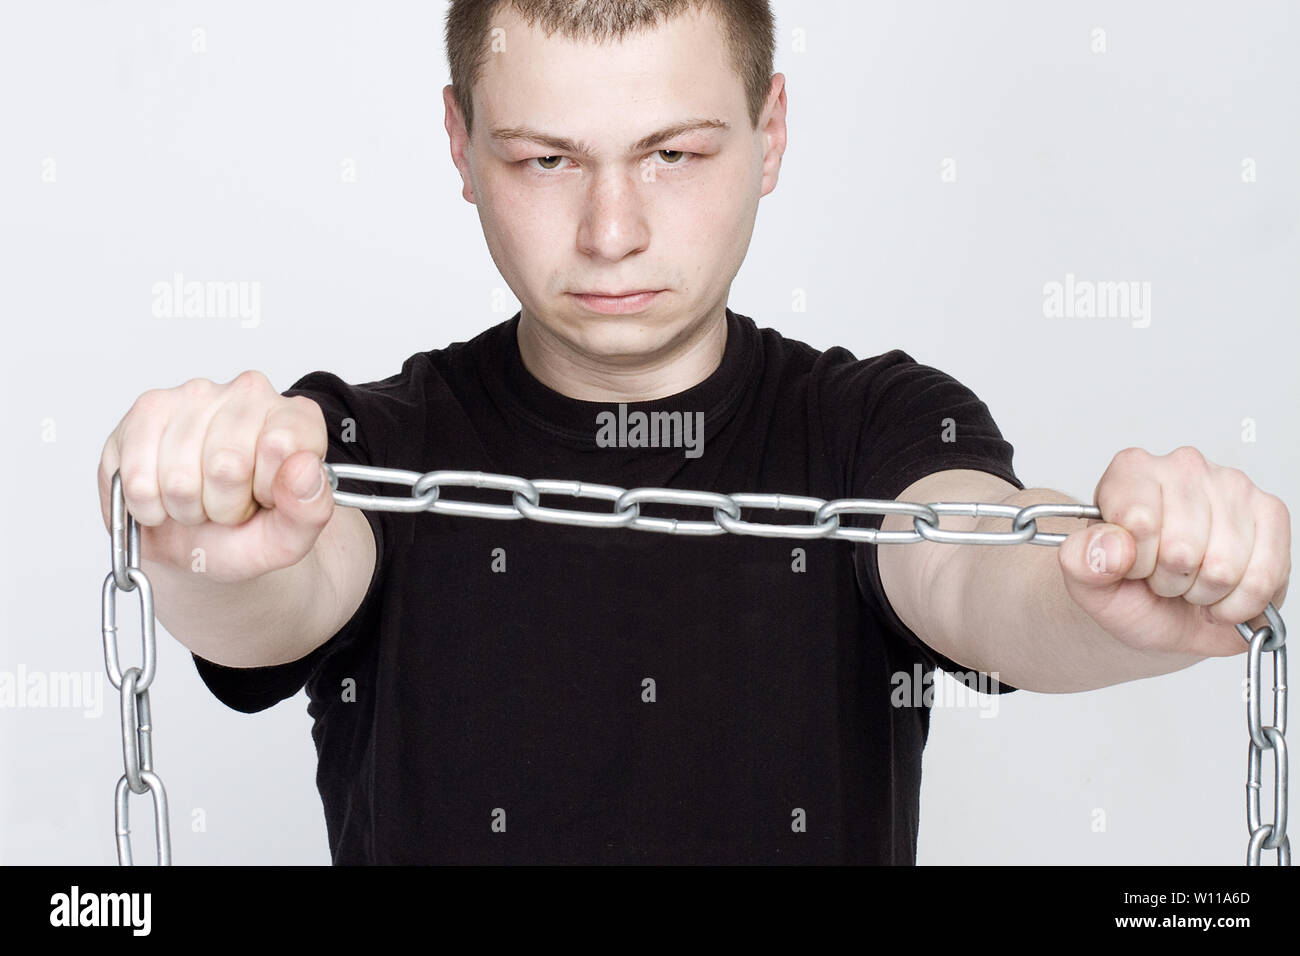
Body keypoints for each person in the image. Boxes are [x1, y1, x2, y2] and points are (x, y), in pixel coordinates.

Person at [97, 0, 1290, 864]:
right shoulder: (364, 442)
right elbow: (277, 592)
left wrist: (1104, 583)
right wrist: (214, 534)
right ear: (460, 144)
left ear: (770, 131)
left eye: (673, 154)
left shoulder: (873, 425)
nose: (612, 229)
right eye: (545, 158)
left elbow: (975, 569)